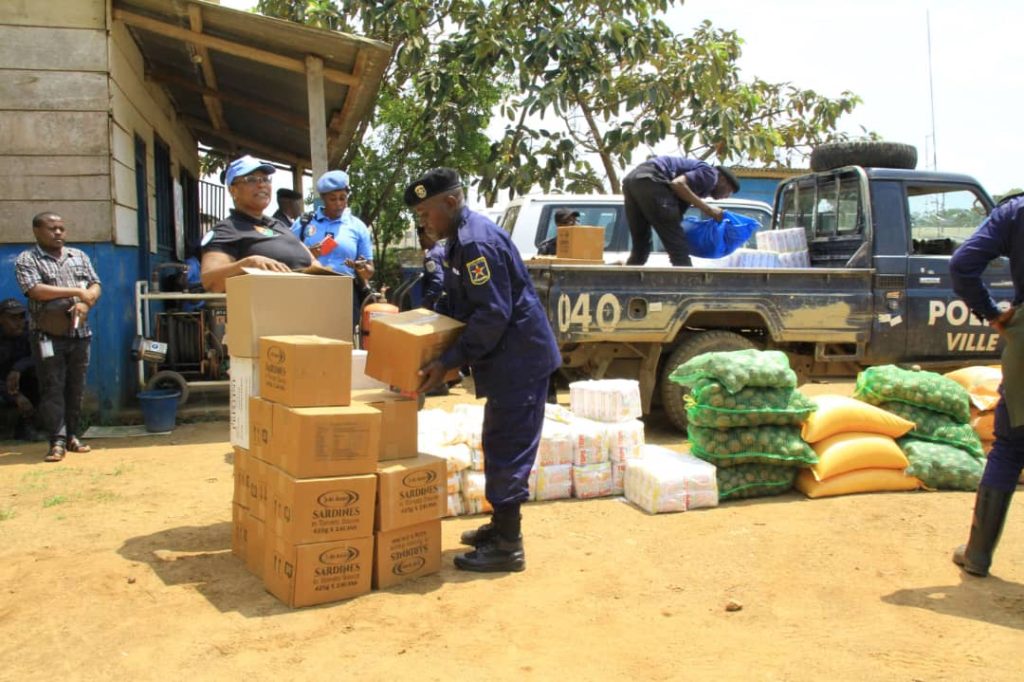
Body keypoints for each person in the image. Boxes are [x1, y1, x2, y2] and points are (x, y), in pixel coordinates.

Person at [408, 168, 561, 573]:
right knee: (498, 442)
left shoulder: (476, 244)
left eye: (426, 212)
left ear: (451, 202)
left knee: (508, 447)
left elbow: (492, 315)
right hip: (507, 360)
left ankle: (509, 547)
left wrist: (447, 362)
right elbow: (463, 306)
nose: (424, 222)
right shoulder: (460, 241)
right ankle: (500, 527)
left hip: (519, 361)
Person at [949, 192, 1023, 577]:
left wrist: (992, 314)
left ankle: (977, 555)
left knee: (1010, 445)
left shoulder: (1016, 211)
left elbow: (963, 265)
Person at [15, 212, 102, 462]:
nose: (58, 233)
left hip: (80, 333)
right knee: (52, 386)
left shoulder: (79, 256)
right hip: (47, 337)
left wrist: (87, 303)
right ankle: (57, 440)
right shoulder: (27, 259)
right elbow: (35, 290)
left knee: (76, 386)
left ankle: (73, 435)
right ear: (36, 231)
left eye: (62, 229)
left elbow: (95, 284)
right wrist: (77, 290)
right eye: (52, 228)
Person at [200, 155, 313, 293]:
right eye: (251, 180)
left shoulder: (278, 225)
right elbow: (210, 282)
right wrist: (248, 264)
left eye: (266, 179)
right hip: (268, 310)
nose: (262, 185)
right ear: (233, 190)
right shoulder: (226, 230)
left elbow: (310, 260)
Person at [291, 170, 374, 325]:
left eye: (343, 198)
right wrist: (308, 254)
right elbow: (287, 256)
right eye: (332, 199)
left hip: (345, 293)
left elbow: (370, 270)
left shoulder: (357, 227)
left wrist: (364, 269)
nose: (338, 204)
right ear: (323, 198)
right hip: (308, 291)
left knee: (342, 342)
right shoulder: (304, 223)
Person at [623, 156, 740, 266]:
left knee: (640, 248)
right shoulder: (710, 175)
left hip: (632, 180)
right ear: (722, 179)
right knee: (679, 249)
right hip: (652, 179)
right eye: (729, 191)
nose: (726, 196)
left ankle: (623, 284)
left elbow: (672, 217)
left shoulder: (694, 186)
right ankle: (687, 286)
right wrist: (709, 210)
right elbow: (678, 184)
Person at [0, 298, 41, 441]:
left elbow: (42, 356)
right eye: (12, 318)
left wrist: (18, 368)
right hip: (3, 385)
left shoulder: (30, 332)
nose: (19, 322)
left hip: (19, 382)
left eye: (22, 317)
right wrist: (15, 396)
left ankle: (25, 427)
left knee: (41, 373)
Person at [417, 225, 445, 311]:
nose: (419, 241)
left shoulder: (431, 256)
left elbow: (438, 281)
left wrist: (426, 303)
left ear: (427, 236)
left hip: (437, 304)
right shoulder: (441, 250)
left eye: (421, 238)